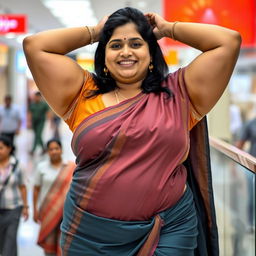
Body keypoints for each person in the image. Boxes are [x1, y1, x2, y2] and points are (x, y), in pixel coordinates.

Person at [23, 7, 241, 255]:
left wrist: (169, 28)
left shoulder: (180, 92)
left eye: (136, 44)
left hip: (168, 229)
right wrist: (96, 32)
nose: (126, 52)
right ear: (103, 55)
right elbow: (34, 45)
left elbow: (228, 42)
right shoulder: (81, 92)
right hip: (91, 234)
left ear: (151, 53)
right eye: (115, 45)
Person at [33, 139, 75, 256]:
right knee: (49, 240)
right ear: (47, 152)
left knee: (63, 243)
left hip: (66, 212)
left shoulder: (71, 167)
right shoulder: (41, 167)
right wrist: (35, 210)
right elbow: (36, 189)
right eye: (51, 149)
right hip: (48, 211)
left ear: (61, 150)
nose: (54, 151)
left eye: (56, 148)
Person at [0, 135, 29, 256]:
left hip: (13, 208)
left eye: (1, 148)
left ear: (9, 148)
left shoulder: (17, 166)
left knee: (10, 240)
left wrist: (26, 207)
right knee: (2, 241)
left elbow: (23, 186)